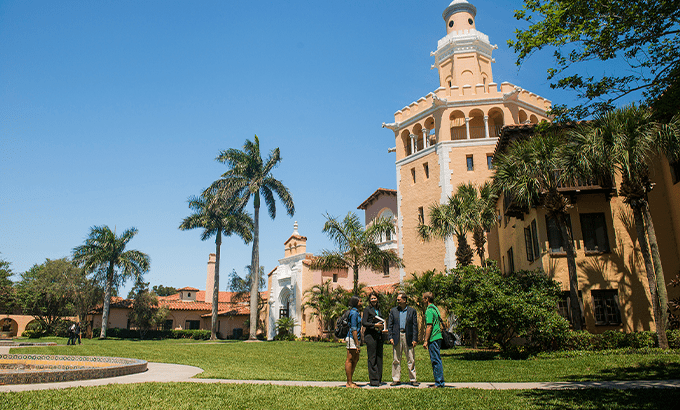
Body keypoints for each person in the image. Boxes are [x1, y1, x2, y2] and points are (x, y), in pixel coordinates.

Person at [388, 292, 418, 386]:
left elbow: (414, 326)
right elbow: (390, 325)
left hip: (408, 336)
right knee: (396, 359)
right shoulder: (393, 311)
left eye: (399, 300)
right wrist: (390, 337)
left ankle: (413, 379)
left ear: (404, 300)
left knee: (410, 358)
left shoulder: (412, 311)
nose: (397, 301)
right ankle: (396, 379)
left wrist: (415, 339)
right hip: (397, 336)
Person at [422, 292, 445, 388]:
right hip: (438, 336)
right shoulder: (435, 309)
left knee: (435, 360)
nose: (422, 300)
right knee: (437, 359)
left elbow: (429, 326)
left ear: (427, 299)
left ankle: (439, 382)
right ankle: (439, 381)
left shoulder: (429, 311)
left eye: (423, 298)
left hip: (433, 337)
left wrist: (426, 340)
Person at [362, 291, 385, 386]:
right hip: (370, 336)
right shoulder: (367, 310)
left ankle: (379, 378)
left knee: (379, 357)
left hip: (379, 335)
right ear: (369, 300)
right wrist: (374, 325)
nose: (373, 300)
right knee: (372, 357)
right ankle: (374, 380)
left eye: (375, 298)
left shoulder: (379, 310)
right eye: (372, 298)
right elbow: (364, 322)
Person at [345, 295, 362, 388]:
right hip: (352, 338)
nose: (361, 303)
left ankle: (350, 380)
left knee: (356, 358)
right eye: (360, 301)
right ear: (356, 302)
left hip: (355, 338)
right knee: (350, 359)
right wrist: (357, 343)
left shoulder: (356, 312)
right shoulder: (354, 313)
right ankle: (349, 382)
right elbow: (354, 329)